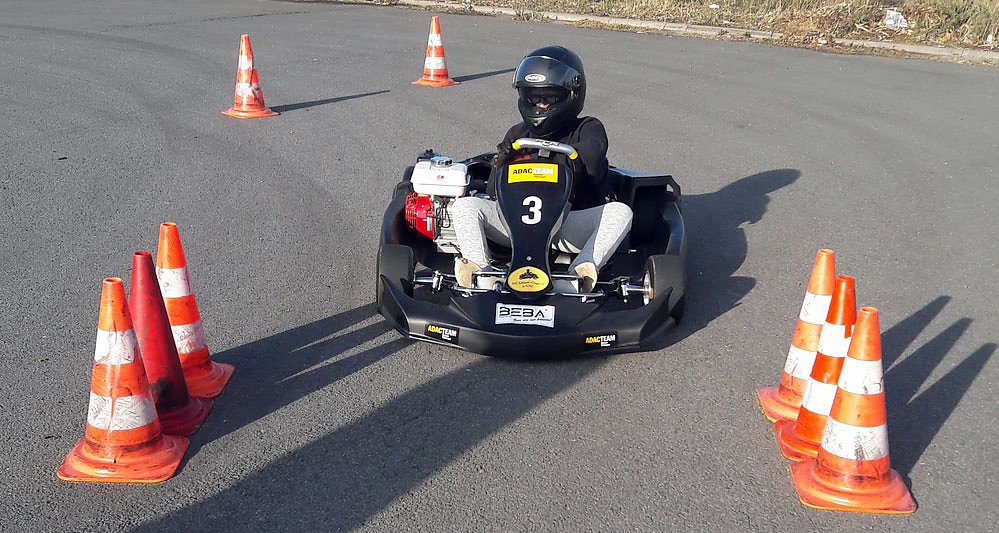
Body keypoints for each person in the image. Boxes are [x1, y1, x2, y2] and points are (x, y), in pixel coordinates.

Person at [450, 46, 633, 292]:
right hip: (514, 225)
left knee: (620, 212)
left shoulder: (587, 128)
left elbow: (591, 157)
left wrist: (558, 159)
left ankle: (578, 274)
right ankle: (481, 273)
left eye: (549, 98)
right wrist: (503, 159)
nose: (541, 104)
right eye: (534, 97)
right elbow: (493, 191)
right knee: (465, 206)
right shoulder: (517, 134)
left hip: (566, 225)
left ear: (571, 94)